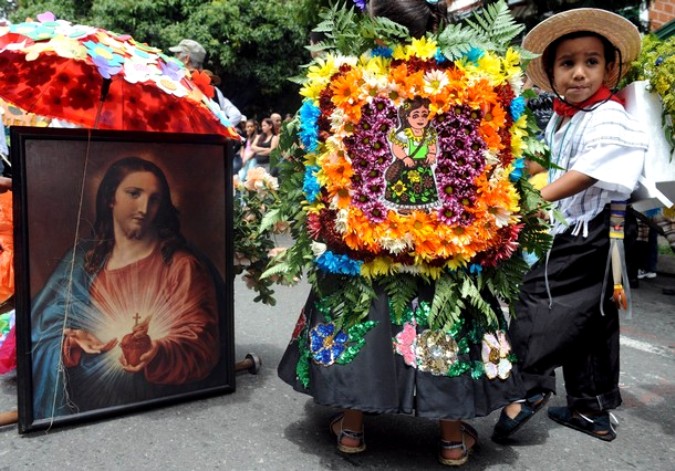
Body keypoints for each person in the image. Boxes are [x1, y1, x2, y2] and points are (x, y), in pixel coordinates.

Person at [277, 0, 526, 467]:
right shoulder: (476, 81)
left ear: (374, 26)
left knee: (360, 316)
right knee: (440, 321)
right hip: (448, 238)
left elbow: (314, 156)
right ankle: (452, 440)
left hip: (364, 236)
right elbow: (502, 166)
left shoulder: (347, 81)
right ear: (436, 27)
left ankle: (351, 430)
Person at [491, 9, 648, 443]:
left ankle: (528, 386)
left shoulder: (608, 116)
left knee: (538, 295)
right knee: (594, 317)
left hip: (592, 230)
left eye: (591, 62)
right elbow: (550, 162)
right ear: (551, 72)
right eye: (567, 63)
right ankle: (591, 408)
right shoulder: (568, 115)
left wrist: (535, 199)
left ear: (610, 68)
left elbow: (590, 170)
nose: (579, 73)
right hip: (598, 231)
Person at [30, 157, 227, 420]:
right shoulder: (82, 261)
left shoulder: (181, 266)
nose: (144, 208)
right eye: (134, 194)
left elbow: (201, 342)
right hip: (84, 408)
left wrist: (158, 351)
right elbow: (40, 328)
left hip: (153, 409)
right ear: (111, 198)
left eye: (154, 199)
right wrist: (69, 341)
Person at [169, 39, 243, 128]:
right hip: (206, 140)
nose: (174, 57)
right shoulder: (213, 90)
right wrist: (222, 130)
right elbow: (236, 115)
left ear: (186, 59)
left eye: (177, 54)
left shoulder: (174, 84)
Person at [383, 96, 439, 210]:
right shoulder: (404, 134)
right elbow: (397, 148)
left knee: (424, 186)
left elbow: (432, 146)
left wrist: (432, 154)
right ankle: (405, 207)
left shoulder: (428, 134)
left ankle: (422, 207)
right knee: (405, 186)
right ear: (407, 117)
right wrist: (405, 158)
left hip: (423, 165)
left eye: (424, 115)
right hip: (407, 165)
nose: (421, 119)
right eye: (415, 115)